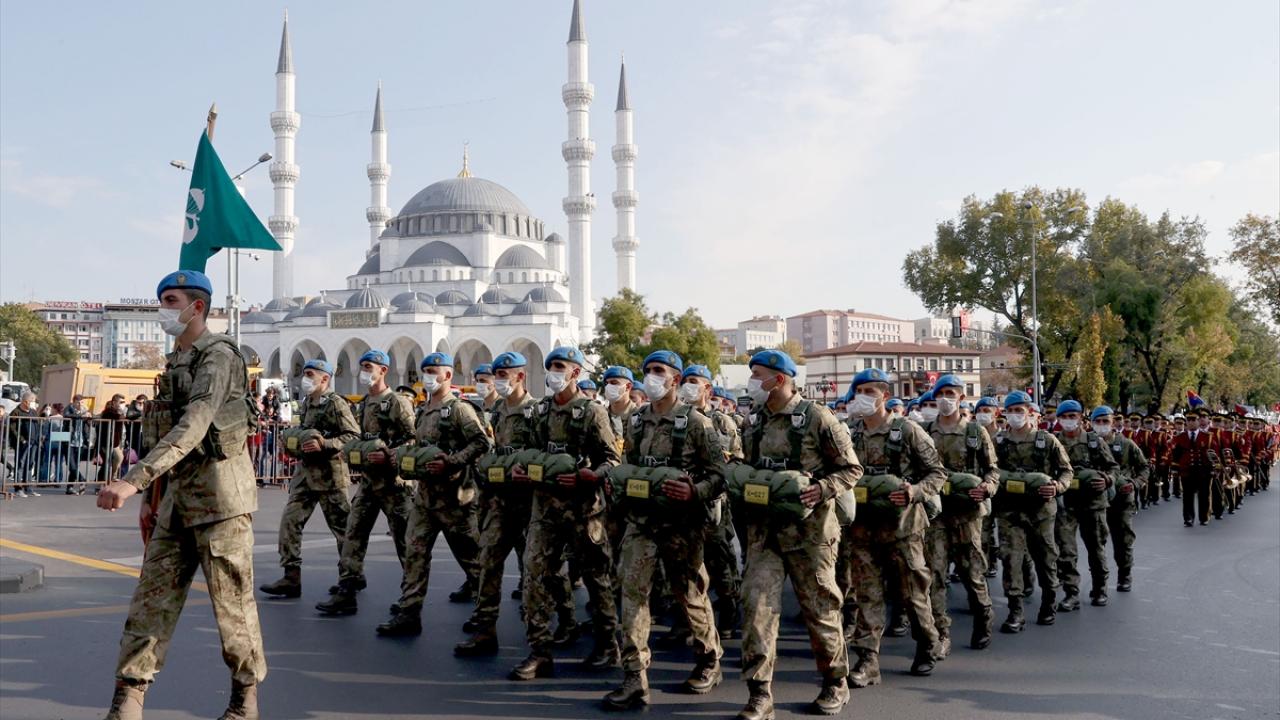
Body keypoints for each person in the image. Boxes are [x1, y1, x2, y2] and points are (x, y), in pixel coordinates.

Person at [96, 269, 265, 720]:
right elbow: (162, 432)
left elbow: (195, 423)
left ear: (197, 307)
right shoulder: (178, 360)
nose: (162, 309)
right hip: (175, 504)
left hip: (221, 504)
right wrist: (151, 501)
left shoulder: (220, 356)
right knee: (150, 603)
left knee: (233, 609)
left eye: (170, 301)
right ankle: (128, 698)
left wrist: (133, 480)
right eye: (162, 300)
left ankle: (244, 699)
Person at [736, 350, 862, 719]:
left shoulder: (817, 417)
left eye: (757, 375)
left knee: (821, 611)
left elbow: (851, 469)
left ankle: (835, 682)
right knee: (756, 609)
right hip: (765, 534)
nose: (752, 382)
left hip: (811, 534)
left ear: (779, 379)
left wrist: (822, 488)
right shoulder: (754, 419)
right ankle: (760, 694)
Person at [603, 352, 725, 709]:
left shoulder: (697, 423)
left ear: (675, 380)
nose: (651, 376)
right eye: (648, 371)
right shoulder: (637, 421)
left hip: (681, 526)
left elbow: (720, 475)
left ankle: (709, 659)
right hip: (641, 522)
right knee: (632, 594)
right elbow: (630, 464)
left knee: (690, 594)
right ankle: (634, 676)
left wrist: (695, 491)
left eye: (659, 371)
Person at [509, 346, 621, 682]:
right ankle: (540, 651)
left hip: (584, 511)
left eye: (560, 366)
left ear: (575, 372)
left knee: (596, 578)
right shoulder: (540, 411)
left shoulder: (592, 412)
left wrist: (590, 476)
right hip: (544, 509)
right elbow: (528, 451)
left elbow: (611, 460)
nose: (553, 372)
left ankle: (607, 644)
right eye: (550, 367)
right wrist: (520, 468)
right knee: (534, 575)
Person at [455, 351, 577, 655]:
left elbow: (546, 452)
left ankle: (566, 619)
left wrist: (531, 471)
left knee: (544, 567)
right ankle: (485, 628)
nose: (497, 381)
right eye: (496, 375)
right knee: (488, 561)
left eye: (503, 376)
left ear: (520, 377)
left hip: (531, 501)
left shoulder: (537, 410)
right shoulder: (498, 410)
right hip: (500, 500)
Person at [844, 368, 947, 686]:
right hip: (862, 528)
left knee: (912, 594)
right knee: (867, 594)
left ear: (885, 396)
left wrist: (914, 491)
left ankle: (927, 643)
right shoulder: (850, 432)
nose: (862, 397)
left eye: (870, 392)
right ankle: (867, 660)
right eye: (859, 391)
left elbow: (937, 473)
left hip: (903, 529)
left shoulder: (907, 430)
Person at [376, 352, 488, 636]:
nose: (427, 376)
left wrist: (452, 462)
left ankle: (485, 615)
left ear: (447, 375)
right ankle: (409, 613)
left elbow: (480, 443)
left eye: (432, 371)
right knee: (414, 553)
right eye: (424, 371)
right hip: (425, 498)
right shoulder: (424, 410)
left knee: (472, 559)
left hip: (455, 499)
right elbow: (419, 445)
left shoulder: (459, 409)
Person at [315, 349, 414, 616]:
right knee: (353, 534)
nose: (364, 372)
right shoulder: (365, 403)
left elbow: (414, 439)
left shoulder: (397, 402)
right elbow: (358, 437)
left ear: (383, 370)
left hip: (394, 485)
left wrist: (391, 454)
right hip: (369, 483)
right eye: (362, 367)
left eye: (369, 367)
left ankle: (410, 596)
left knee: (405, 542)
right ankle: (347, 588)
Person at [259, 359, 360, 600]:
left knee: (342, 530)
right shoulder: (306, 403)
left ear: (325, 378)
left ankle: (351, 577)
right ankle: (291, 576)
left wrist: (325, 444)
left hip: (330, 476)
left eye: (310, 374)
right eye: (304, 373)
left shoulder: (336, 404)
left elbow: (353, 436)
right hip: (305, 476)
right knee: (290, 523)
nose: (305, 378)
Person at [923, 375, 1000, 653]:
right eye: (941, 393)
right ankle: (941, 633)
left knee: (972, 573)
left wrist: (987, 487)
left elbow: (993, 470)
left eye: (951, 393)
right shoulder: (925, 431)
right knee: (935, 574)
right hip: (936, 514)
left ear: (961, 398)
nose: (945, 398)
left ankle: (983, 617)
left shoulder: (975, 432)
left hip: (967, 514)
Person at [992, 391, 1073, 633]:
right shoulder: (999, 442)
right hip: (1009, 511)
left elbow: (1066, 471)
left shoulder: (1047, 440)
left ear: (1029, 412)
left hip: (1040, 511)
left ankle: (1049, 603)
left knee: (1046, 558)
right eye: (1010, 410)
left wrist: (1057, 487)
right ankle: (1015, 611)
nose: (1015, 415)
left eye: (1019, 410)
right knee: (1011, 560)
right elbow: (989, 470)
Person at [1052, 400, 1119, 610]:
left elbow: (1113, 468)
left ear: (1081, 418)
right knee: (1066, 550)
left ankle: (1100, 589)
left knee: (1096, 547)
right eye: (1064, 417)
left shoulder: (1093, 441)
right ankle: (1071, 593)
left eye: (1073, 416)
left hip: (1093, 503)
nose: (1069, 420)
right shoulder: (1054, 442)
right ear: (1059, 419)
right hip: (1065, 504)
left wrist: (1107, 480)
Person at [1091, 406, 1147, 593]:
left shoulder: (1126, 444)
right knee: (1096, 542)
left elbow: (1144, 467)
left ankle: (1125, 574)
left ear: (1113, 422)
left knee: (1122, 540)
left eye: (1105, 421)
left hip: (1121, 500)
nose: (1101, 425)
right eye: (1097, 421)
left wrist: (1135, 483)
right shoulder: (1087, 444)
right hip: (1095, 500)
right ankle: (1099, 583)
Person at [1170, 408, 1219, 526]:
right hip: (1187, 471)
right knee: (1187, 495)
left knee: (1204, 495)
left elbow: (1214, 454)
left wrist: (1216, 468)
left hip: (1203, 471)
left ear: (1199, 421)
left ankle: (1204, 517)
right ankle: (1188, 518)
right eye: (1189, 420)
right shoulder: (1180, 437)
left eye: (1194, 420)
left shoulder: (1208, 437)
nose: (1191, 422)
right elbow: (1176, 455)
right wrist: (1175, 469)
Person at [9, 391, 41, 497]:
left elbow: (37, 425)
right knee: (20, 464)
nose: (34, 403)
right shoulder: (16, 412)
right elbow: (12, 428)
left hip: (33, 442)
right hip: (22, 443)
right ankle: (18, 488)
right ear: (25, 401)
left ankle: (28, 488)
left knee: (30, 464)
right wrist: (21, 439)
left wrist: (38, 438)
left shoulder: (33, 412)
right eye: (33, 401)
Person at [96, 395, 129, 486]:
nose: (122, 404)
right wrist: (124, 415)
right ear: (114, 402)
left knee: (119, 457)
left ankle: (112, 476)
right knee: (106, 462)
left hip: (115, 442)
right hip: (106, 441)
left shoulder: (118, 411)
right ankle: (100, 482)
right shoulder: (109, 411)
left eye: (123, 402)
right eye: (120, 402)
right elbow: (119, 417)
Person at [63, 394, 92, 494]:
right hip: (69, 441)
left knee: (75, 466)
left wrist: (89, 418)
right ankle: (82, 480)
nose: (80, 404)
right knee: (71, 465)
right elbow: (66, 415)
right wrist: (81, 416)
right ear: (73, 402)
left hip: (81, 442)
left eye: (82, 402)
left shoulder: (85, 410)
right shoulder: (68, 409)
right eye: (78, 402)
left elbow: (90, 422)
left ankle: (69, 487)